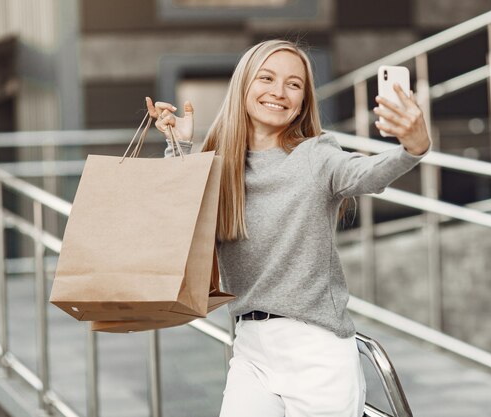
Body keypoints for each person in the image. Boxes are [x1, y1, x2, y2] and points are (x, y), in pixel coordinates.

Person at [145, 39, 430, 417]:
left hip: (316, 351)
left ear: (303, 100)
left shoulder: (316, 155)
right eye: (267, 78)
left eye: (294, 84)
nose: (279, 92)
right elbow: (179, 223)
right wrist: (178, 147)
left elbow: (365, 174)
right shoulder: (218, 166)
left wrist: (413, 146)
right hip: (250, 347)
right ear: (244, 85)